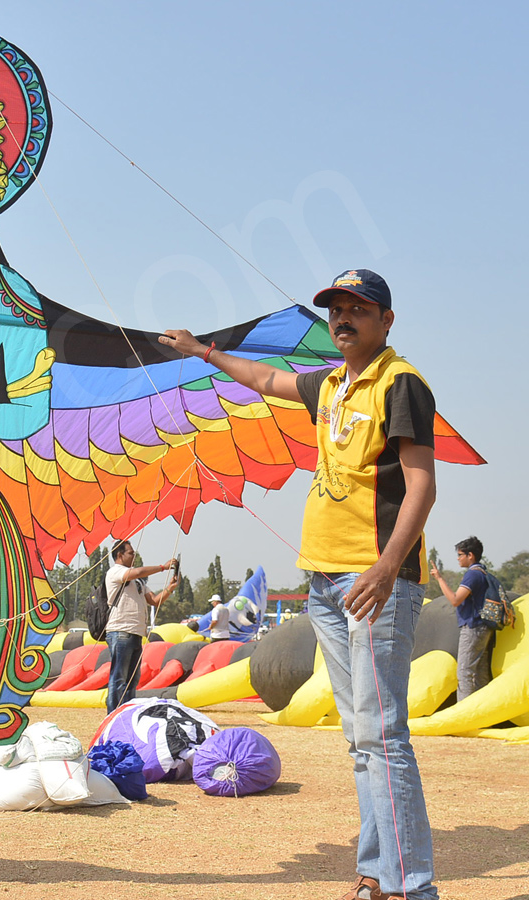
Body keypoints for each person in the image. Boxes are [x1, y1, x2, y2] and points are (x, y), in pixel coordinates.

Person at [161, 268, 438, 900]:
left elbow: (421, 480)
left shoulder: (400, 383)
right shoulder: (333, 385)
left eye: (358, 309)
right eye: (336, 310)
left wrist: (388, 565)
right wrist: (203, 351)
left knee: (382, 734)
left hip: (373, 580)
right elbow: (265, 378)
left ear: (386, 321)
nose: (344, 319)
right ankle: (375, 875)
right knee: (361, 737)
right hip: (324, 581)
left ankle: (410, 888)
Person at [103, 539, 178, 714]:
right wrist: (163, 567)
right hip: (121, 630)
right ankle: (113, 715)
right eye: (130, 553)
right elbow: (136, 572)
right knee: (119, 678)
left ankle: (126, 714)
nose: (134, 556)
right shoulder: (116, 572)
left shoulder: (138, 582)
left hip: (135, 632)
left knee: (131, 680)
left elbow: (153, 600)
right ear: (119, 555)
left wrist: (170, 588)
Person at [429, 536, 494, 700]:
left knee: (464, 672)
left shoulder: (472, 575)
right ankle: (483, 713)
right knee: (480, 674)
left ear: (470, 555)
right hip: (484, 627)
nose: (458, 559)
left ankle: (464, 715)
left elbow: (455, 600)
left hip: (472, 628)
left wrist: (439, 578)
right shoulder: (483, 572)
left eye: (460, 555)